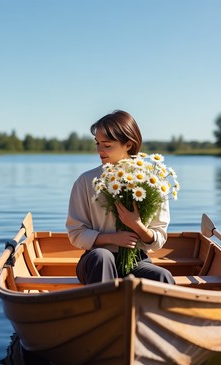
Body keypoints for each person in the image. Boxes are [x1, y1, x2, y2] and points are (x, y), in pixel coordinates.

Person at [66, 110, 175, 285]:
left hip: (136, 261)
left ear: (129, 145)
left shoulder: (153, 181)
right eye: (98, 144)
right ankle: (104, 311)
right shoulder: (86, 181)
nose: (100, 150)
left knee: (163, 277)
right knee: (103, 257)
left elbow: (158, 239)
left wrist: (137, 226)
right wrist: (112, 239)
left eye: (107, 145)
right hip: (95, 262)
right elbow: (76, 233)